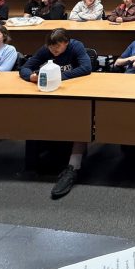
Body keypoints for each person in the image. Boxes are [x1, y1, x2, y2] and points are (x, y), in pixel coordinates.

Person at [19, 28, 92, 199]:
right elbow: (25, 67)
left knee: (79, 118)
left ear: (66, 42)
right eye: (51, 48)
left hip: (74, 90)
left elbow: (86, 68)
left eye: (57, 48)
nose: (54, 51)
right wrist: (30, 77)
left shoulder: (76, 46)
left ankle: (74, 165)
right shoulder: (47, 48)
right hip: (51, 91)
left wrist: (58, 76)